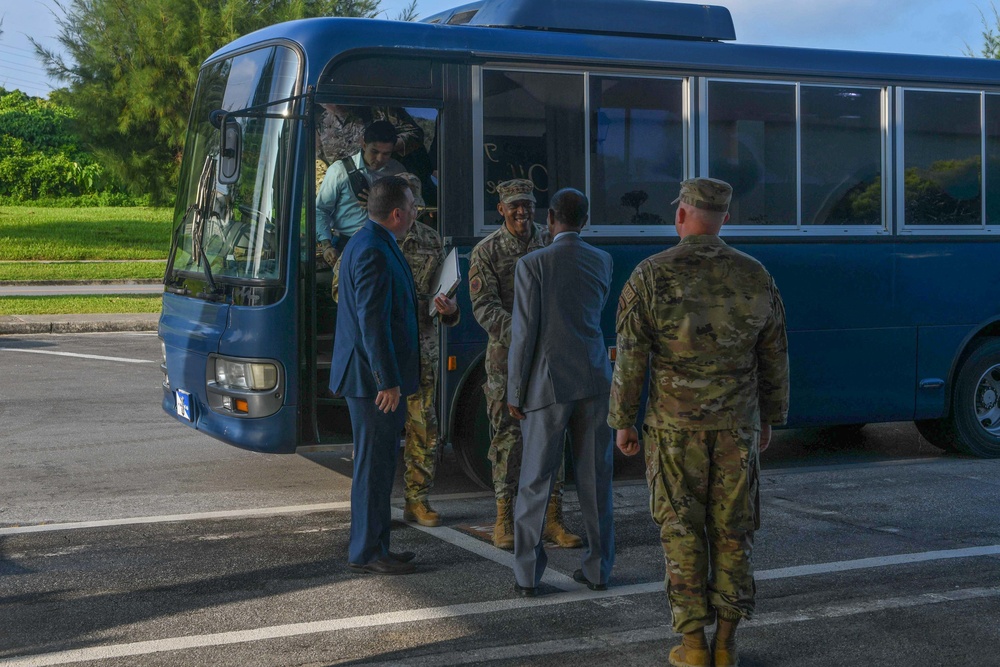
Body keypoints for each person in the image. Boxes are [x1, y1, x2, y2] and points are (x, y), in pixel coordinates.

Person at [609, 178, 789, 667]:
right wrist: (769, 417)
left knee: (681, 531)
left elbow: (630, 358)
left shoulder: (650, 275)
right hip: (737, 425)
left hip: (673, 428)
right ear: (725, 219)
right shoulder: (756, 275)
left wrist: (623, 420)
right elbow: (774, 353)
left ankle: (692, 647)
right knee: (733, 531)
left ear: (682, 216)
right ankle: (727, 646)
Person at [507, 188, 616, 597]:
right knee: (595, 480)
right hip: (595, 379)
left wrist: (515, 391)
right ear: (584, 220)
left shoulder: (531, 264)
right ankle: (599, 569)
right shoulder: (602, 260)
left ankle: (527, 575)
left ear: (550, 218)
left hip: (548, 384)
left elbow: (524, 334)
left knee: (535, 480)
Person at [469, 178, 581, 551]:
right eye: (514, 205)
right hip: (507, 362)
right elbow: (484, 308)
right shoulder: (486, 251)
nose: (522, 211)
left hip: (550, 360)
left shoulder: (551, 243)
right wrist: (526, 332)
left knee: (553, 435)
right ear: (500, 209)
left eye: (528, 205)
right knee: (507, 440)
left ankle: (553, 518)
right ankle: (505, 517)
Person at [329, 176, 421, 575]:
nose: (418, 213)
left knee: (381, 465)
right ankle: (367, 552)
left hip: (371, 378)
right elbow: (372, 323)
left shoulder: (370, 241)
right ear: (398, 213)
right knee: (374, 467)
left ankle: (377, 545)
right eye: (414, 207)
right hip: (371, 382)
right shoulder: (373, 250)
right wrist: (387, 380)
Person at [396, 173, 461, 526]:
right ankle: (373, 504)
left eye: (416, 206)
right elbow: (341, 290)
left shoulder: (431, 241)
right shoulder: (373, 238)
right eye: (408, 206)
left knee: (423, 427)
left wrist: (449, 310)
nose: (414, 213)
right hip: (384, 349)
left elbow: (446, 295)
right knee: (378, 430)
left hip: (422, 348)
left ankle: (417, 500)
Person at [316, 120, 405, 267]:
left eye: (386, 154)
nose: (379, 159)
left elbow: (411, 209)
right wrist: (326, 245)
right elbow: (321, 209)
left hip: (388, 246)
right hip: (347, 243)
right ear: (364, 144)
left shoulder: (398, 172)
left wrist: (382, 203)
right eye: (375, 152)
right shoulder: (339, 171)